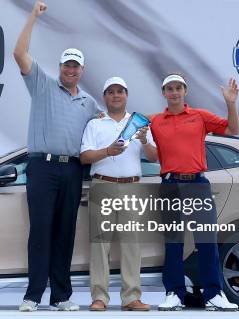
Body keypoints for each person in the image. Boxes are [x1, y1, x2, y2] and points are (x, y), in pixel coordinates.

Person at [13, 0, 102, 312]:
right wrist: (32, 17)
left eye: (76, 66)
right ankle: (33, 295)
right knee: (40, 230)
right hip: (42, 167)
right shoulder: (43, 85)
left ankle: (61, 296)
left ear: (82, 71)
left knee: (65, 232)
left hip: (73, 170)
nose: (71, 70)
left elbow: (107, 130)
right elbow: (19, 54)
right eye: (67, 64)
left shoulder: (90, 104)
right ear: (61, 66)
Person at [151, 74, 239, 311]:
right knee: (173, 242)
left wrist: (231, 103)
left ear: (185, 91)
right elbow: (128, 125)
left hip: (198, 184)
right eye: (169, 88)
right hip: (170, 185)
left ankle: (213, 294)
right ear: (163, 93)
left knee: (206, 241)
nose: (174, 92)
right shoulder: (156, 121)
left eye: (178, 88)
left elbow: (232, 129)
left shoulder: (200, 116)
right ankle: (174, 293)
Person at [80, 77, 157, 311]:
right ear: (104, 97)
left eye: (120, 91)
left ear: (126, 95)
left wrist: (144, 141)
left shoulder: (140, 125)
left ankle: (131, 297)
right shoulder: (95, 124)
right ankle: (100, 297)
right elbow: (84, 157)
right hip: (102, 185)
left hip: (132, 186)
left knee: (131, 243)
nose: (115, 95)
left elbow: (154, 157)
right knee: (99, 244)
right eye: (111, 92)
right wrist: (107, 151)